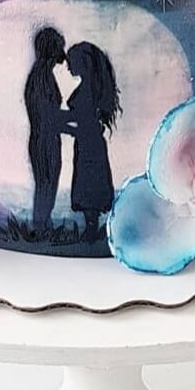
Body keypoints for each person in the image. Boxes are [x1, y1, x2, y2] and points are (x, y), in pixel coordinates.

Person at [63, 42, 121, 243]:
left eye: (71, 62)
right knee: (88, 184)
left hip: (89, 144)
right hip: (89, 143)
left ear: (83, 63)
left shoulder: (88, 90)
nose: (67, 66)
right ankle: (91, 229)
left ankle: (90, 231)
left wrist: (55, 121)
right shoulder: (91, 88)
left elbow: (82, 120)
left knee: (89, 185)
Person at [24, 27, 67, 231]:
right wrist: (82, 124)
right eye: (59, 47)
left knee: (46, 186)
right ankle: (40, 227)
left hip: (44, 138)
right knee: (46, 186)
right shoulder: (41, 77)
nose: (63, 53)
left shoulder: (42, 74)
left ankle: (42, 225)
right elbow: (48, 115)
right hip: (45, 140)